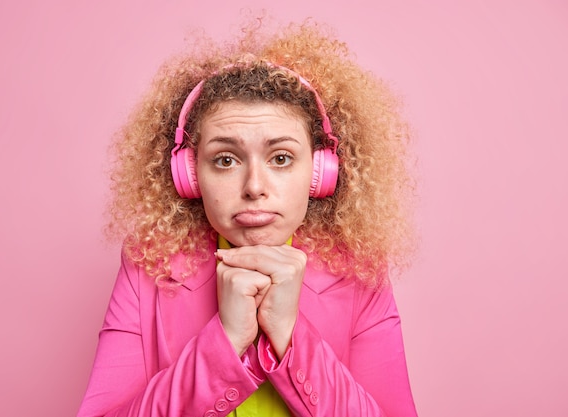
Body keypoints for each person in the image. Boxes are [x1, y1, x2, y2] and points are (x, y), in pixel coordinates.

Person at [78, 20, 418, 417]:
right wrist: (224, 341)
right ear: (189, 176)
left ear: (319, 172)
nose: (254, 186)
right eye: (225, 160)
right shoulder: (146, 267)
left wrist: (290, 337)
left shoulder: (360, 273)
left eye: (281, 158)